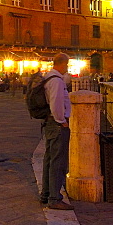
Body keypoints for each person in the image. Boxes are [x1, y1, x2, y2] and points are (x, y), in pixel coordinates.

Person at [40, 53, 72, 210]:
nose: (68, 68)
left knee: (49, 159)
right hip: (56, 124)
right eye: (67, 65)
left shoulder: (48, 78)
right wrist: (62, 121)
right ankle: (54, 198)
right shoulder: (57, 81)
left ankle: (46, 194)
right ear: (63, 64)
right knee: (58, 162)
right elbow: (56, 104)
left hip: (49, 123)